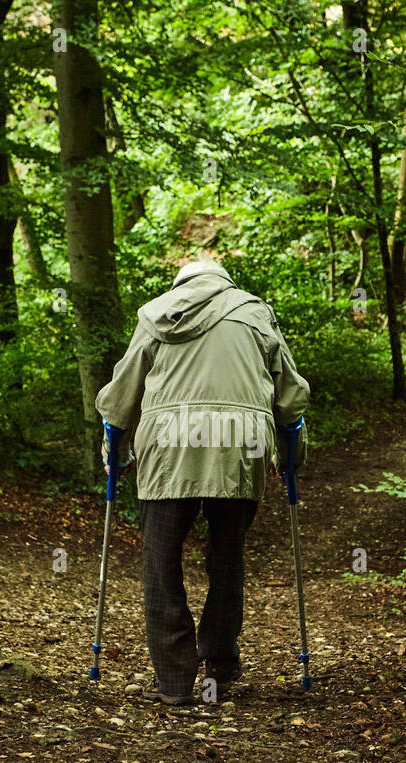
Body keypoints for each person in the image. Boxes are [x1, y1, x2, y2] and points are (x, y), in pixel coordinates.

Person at [95, 259, 310, 706]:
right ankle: (220, 664)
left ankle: (174, 681)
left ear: (182, 283)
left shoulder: (156, 313)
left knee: (161, 559)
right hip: (241, 443)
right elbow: (290, 396)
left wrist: (115, 456)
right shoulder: (255, 313)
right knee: (227, 555)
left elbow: (118, 401)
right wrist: (289, 457)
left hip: (169, 445)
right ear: (223, 280)